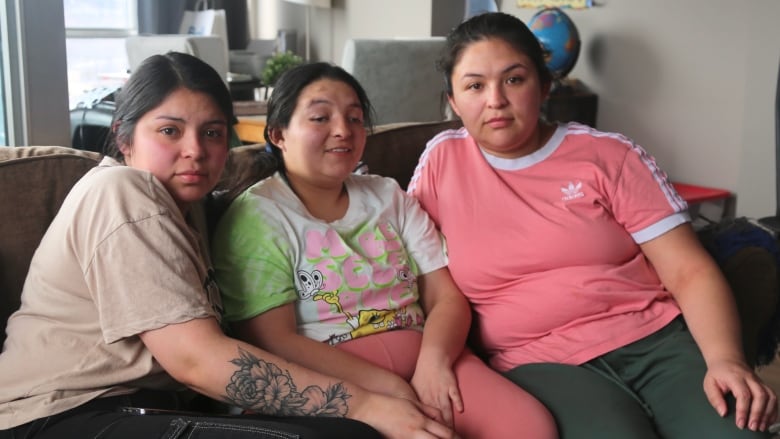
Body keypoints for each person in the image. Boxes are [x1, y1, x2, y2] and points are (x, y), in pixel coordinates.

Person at [0, 52, 447, 439]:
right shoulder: (121, 191)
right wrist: (367, 403)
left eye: (212, 133)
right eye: (170, 131)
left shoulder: (194, 207)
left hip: (142, 409)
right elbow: (196, 359)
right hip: (57, 413)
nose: (195, 150)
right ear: (123, 136)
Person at [407, 11, 778, 439]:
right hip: (537, 362)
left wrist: (724, 358)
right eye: (474, 85)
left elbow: (688, 270)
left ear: (544, 86)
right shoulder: (441, 162)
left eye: (514, 79)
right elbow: (411, 268)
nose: (495, 100)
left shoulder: (608, 155)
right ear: (453, 101)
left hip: (655, 341)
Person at [210, 62, 558, 439]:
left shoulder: (388, 195)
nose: (343, 130)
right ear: (279, 134)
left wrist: (433, 363)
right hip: (329, 376)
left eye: (355, 118)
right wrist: (388, 387)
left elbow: (445, 297)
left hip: (427, 356)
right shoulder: (258, 216)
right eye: (320, 117)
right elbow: (272, 340)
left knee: (530, 427)